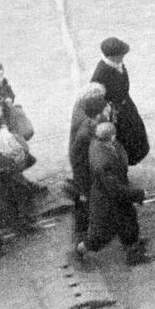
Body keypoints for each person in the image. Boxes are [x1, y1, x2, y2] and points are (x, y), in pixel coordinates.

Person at [76, 121, 152, 266]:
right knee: (100, 236)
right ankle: (79, 251)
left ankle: (133, 251)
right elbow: (115, 190)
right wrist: (139, 194)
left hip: (112, 200)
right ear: (111, 137)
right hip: (108, 203)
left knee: (129, 224)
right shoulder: (103, 162)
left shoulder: (98, 144)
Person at [0, 95, 42, 245]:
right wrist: (6, 158)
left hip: (0, 169)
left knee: (14, 193)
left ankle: (18, 223)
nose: (1, 113)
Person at [90, 37, 150, 166]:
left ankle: (132, 157)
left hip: (125, 105)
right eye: (121, 55)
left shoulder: (117, 64)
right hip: (114, 111)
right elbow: (96, 99)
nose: (123, 57)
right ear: (112, 56)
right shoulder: (101, 73)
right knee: (122, 138)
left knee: (135, 131)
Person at [67, 87, 113, 251]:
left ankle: (82, 238)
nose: (109, 114)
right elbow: (81, 162)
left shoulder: (92, 126)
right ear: (98, 114)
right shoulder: (87, 134)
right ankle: (82, 244)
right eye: (106, 111)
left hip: (90, 176)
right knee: (89, 208)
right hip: (88, 178)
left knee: (89, 208)